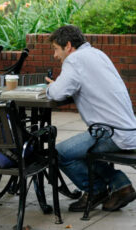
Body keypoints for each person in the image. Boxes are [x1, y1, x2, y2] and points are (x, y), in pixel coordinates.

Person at [45, 25, 136, 212]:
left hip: (110, 133)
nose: (55, 55)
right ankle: (121, 185)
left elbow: (58, 93)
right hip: (127, 129)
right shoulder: (97, 54)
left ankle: (95, 190)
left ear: (68, 46)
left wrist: (49, 87)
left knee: (59, 153)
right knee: (80, 150)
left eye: (55, 49)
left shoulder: (74, 60)